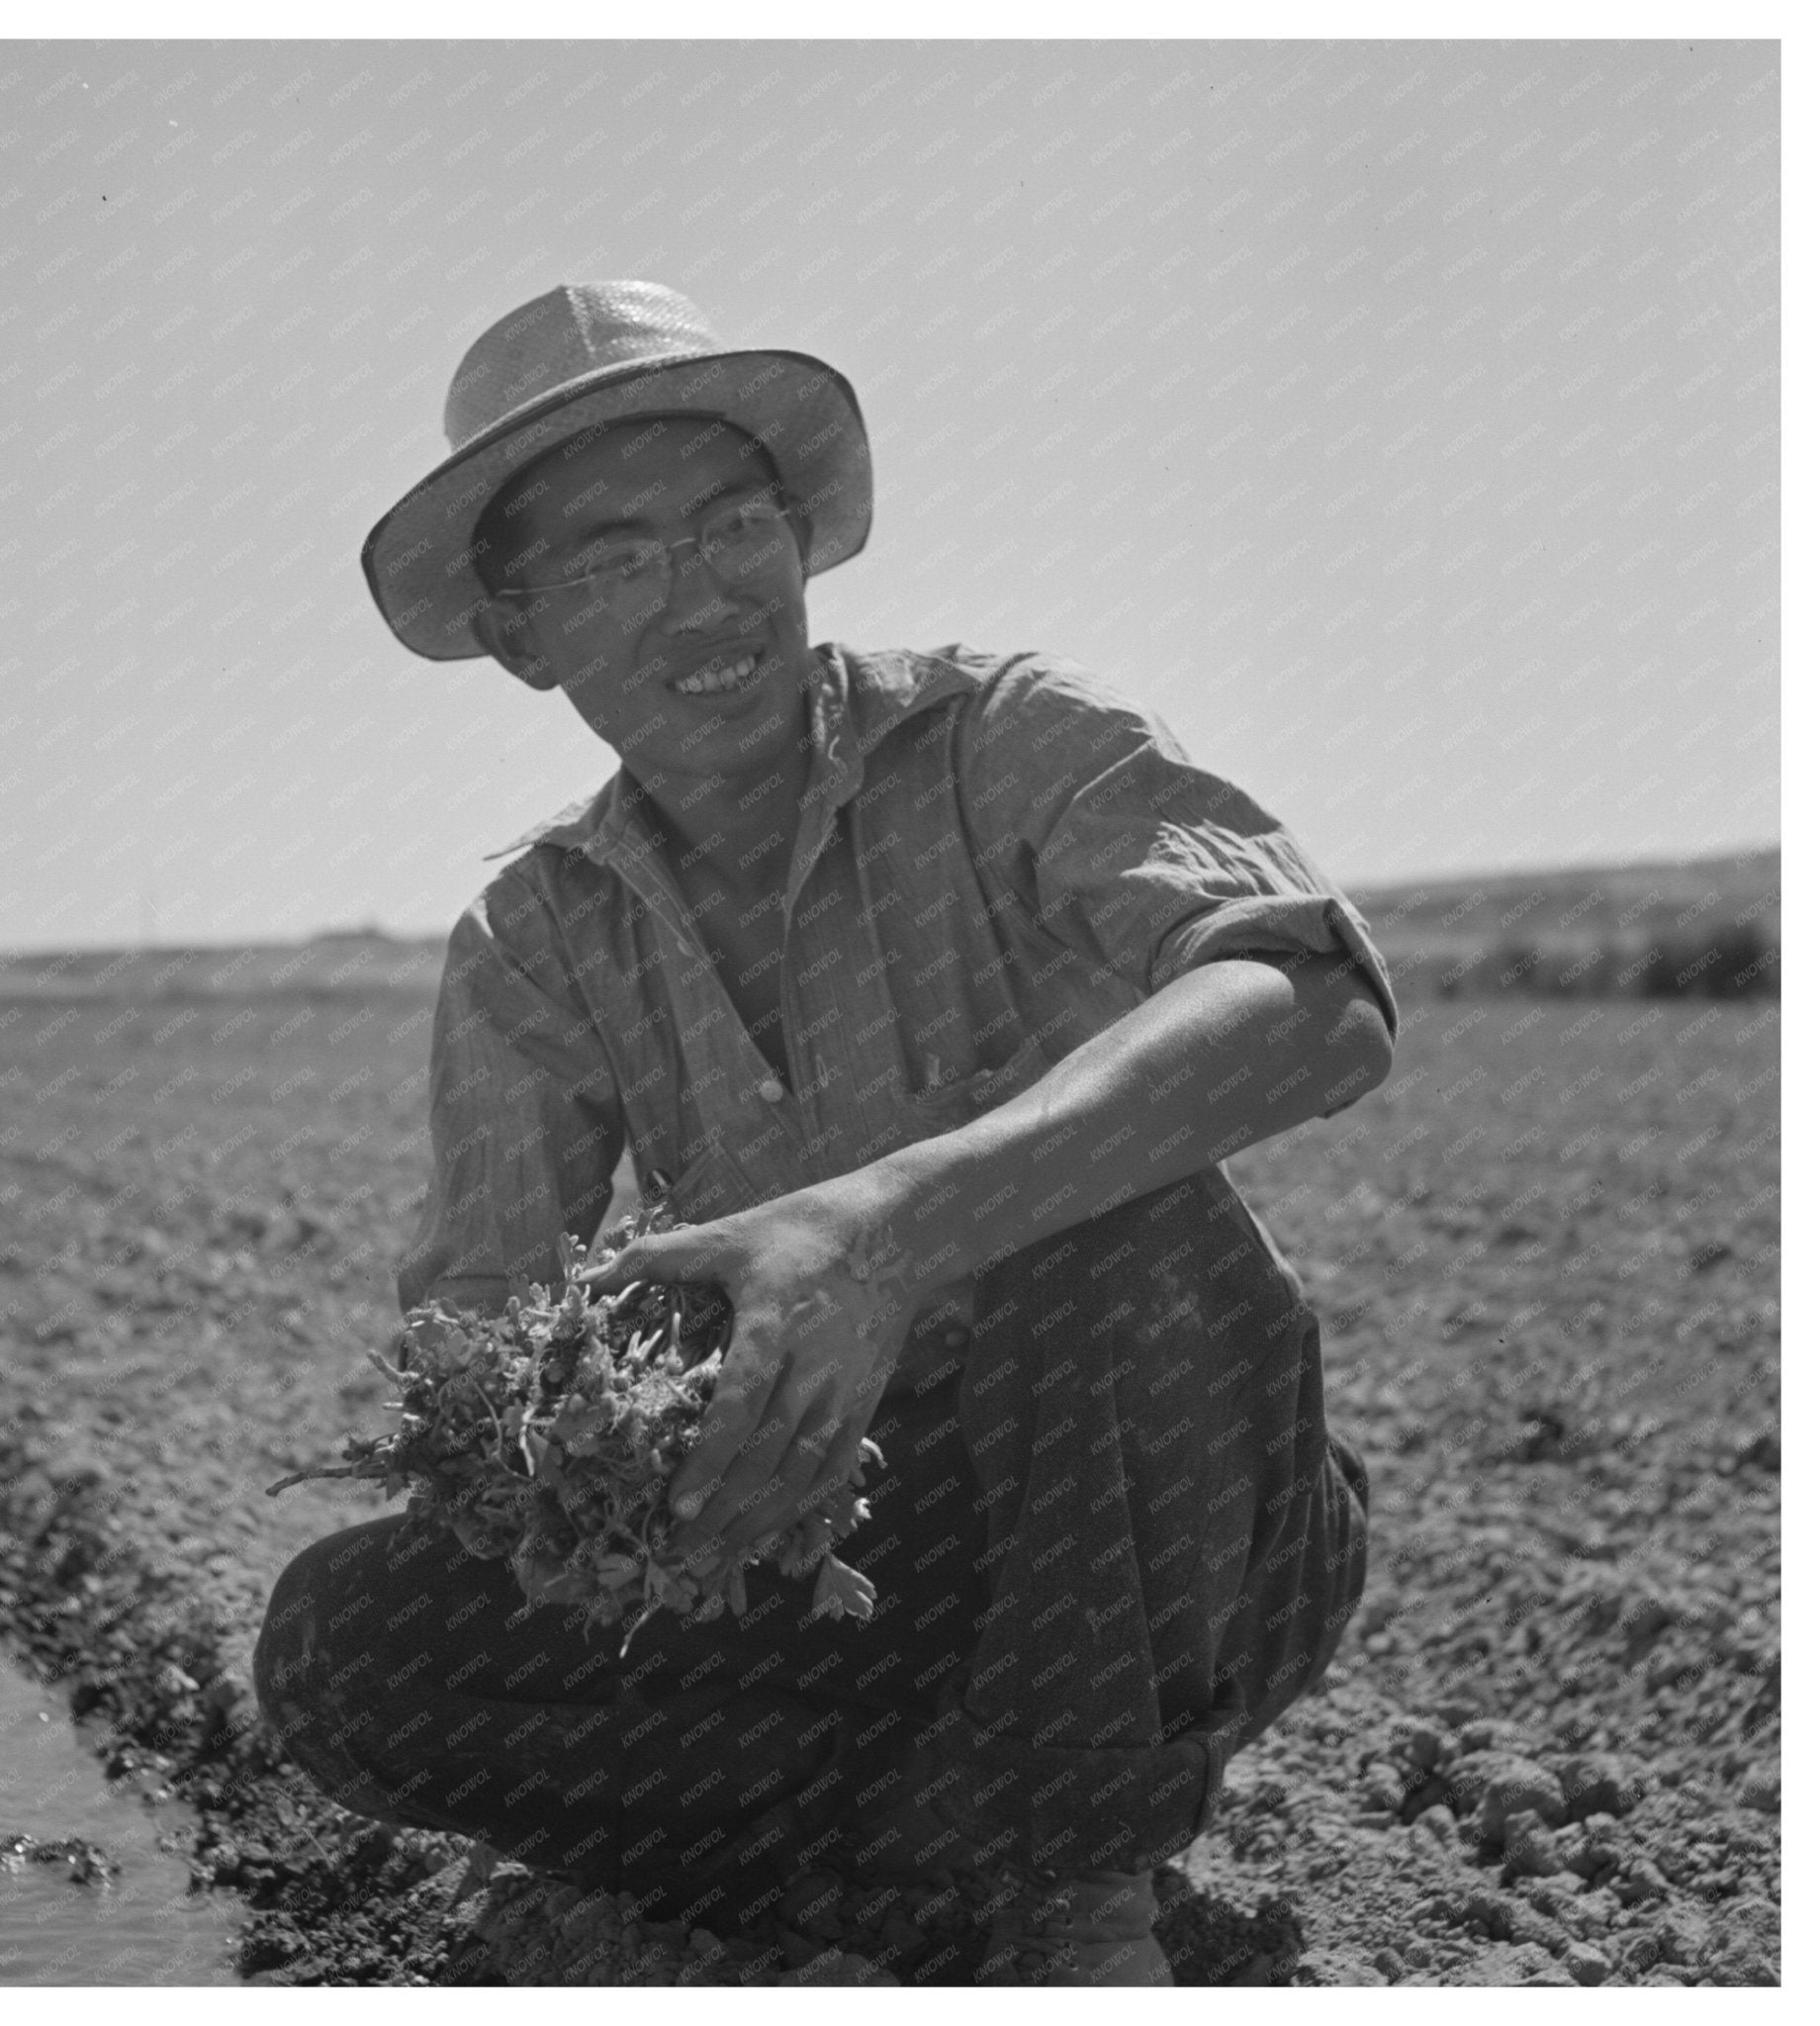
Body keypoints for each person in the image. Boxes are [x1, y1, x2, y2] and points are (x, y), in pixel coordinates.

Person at [253, 281, 1393, 1985]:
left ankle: (1077, 1885)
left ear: (798, 541)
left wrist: (888, 1232)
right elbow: (480, 1328)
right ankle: (886, 1844)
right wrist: (633, 1433)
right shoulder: (538, 939)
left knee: (1108, 1217)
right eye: (614, 562)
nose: (700, 593)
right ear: (523, 635)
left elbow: (1316, 1000)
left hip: (1167, 1519)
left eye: (731, 528)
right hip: (839, 1553)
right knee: (348, 1643)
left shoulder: (998, 739)